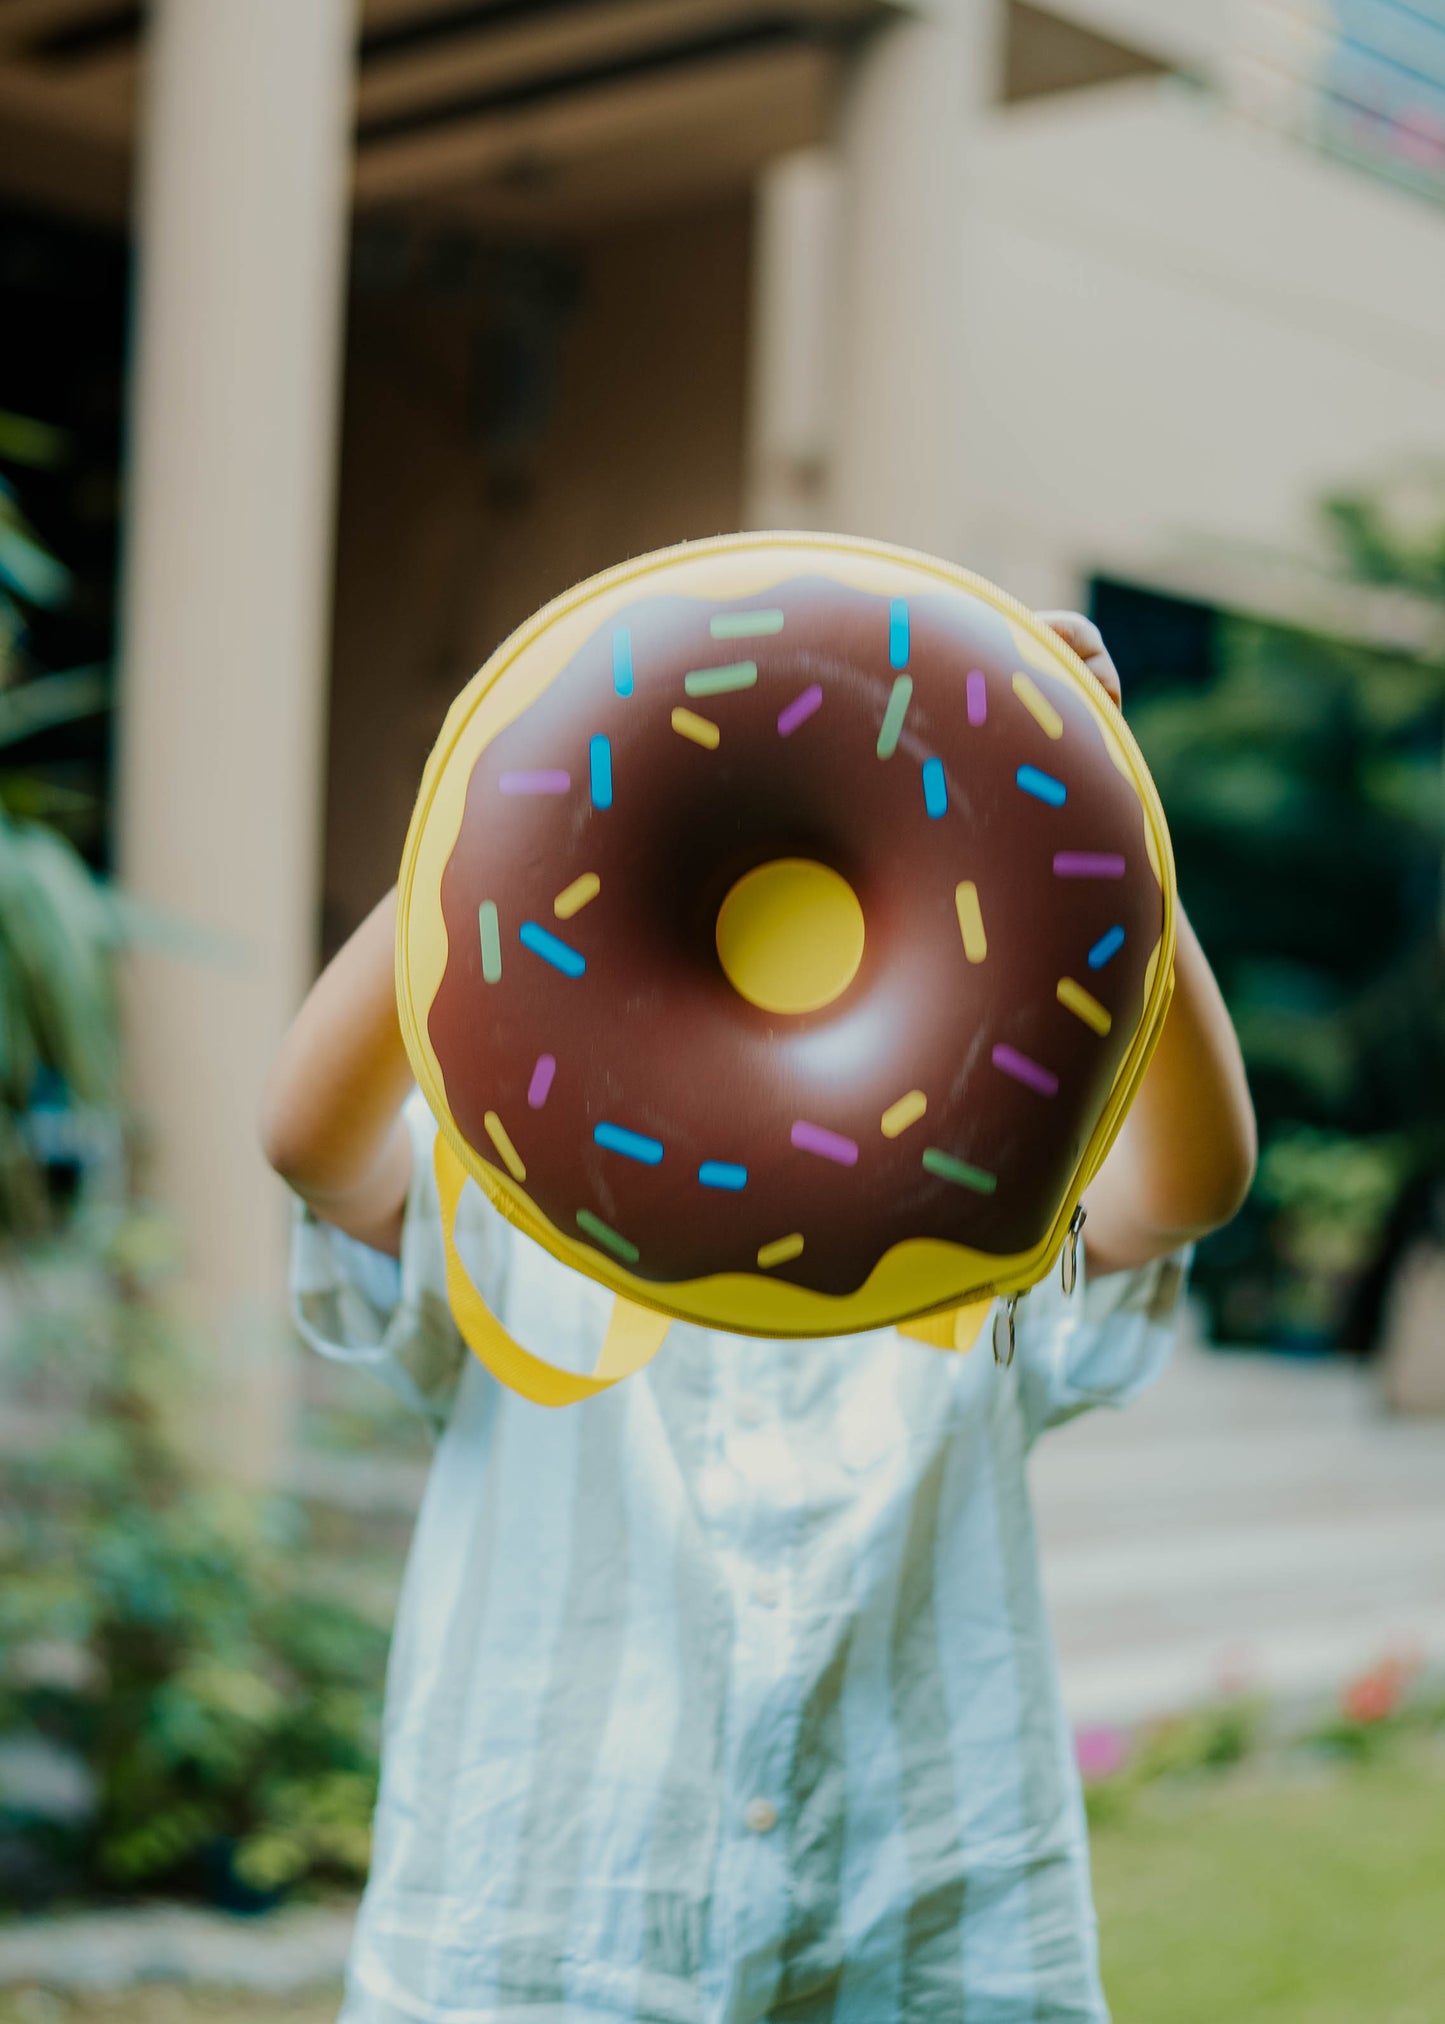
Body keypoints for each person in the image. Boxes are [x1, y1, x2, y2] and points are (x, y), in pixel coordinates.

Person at [262, 610, 1255, 2024]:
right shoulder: (514, 1195)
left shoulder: (982, 1213)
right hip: (549, 1930)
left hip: (921, 1925)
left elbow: (1196, 1184)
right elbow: (306, 1138)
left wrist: (1099, 816)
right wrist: (502, 783)